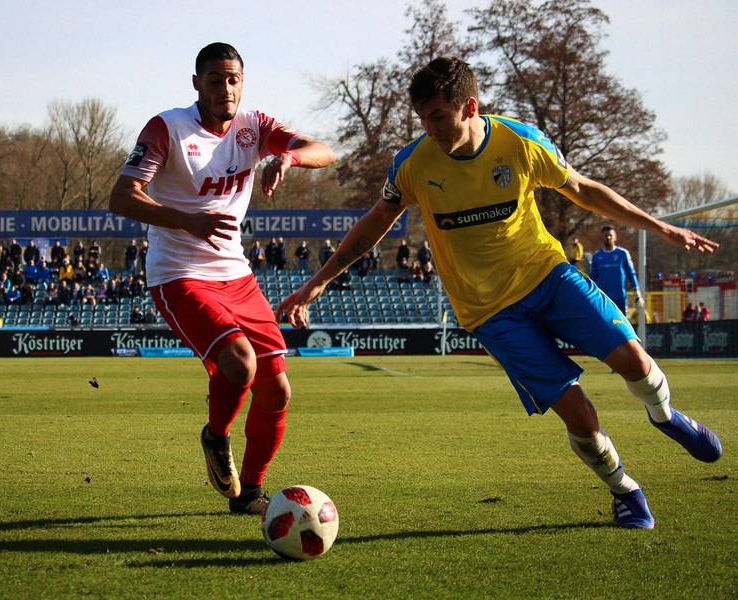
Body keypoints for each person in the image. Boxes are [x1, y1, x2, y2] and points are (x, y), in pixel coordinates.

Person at [278, 56, 722, 530]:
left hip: (548, 276)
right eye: (422, 118)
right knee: (577, 413)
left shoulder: (521, 142)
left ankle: (664, 415)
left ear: (469, 107)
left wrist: (661, 228)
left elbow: (584, 190)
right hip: (488, 311)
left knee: (635, 362)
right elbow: (376, 221)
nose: (430, 129)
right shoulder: (412, 163)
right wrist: (317, 281)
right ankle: (625, 490)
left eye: (438, 117)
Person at [108, 42, 335, 514]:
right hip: (179, 273)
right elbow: (122, 196)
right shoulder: (167, 128)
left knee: (277, 389)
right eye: (215, 80)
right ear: (197, 84)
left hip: (236, 274)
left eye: (233, 80)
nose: (225, 89)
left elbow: (325, 151)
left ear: (242, 82)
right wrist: (186, 221)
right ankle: (216, 436)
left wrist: (288, 159)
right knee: (240, 363)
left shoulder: (255, 126)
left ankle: (249, 492)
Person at [590, 226, 644, 314]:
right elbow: (592, 277)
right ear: (601, 237)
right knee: (605, 321)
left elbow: (631, 274)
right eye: (605, 235)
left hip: (620, 297)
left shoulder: (623, 254)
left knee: (621, 321)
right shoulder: (596, 256)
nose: (608, 238)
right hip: (604, 298)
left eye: (610, 235)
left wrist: (637, 294)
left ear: (615, 237)